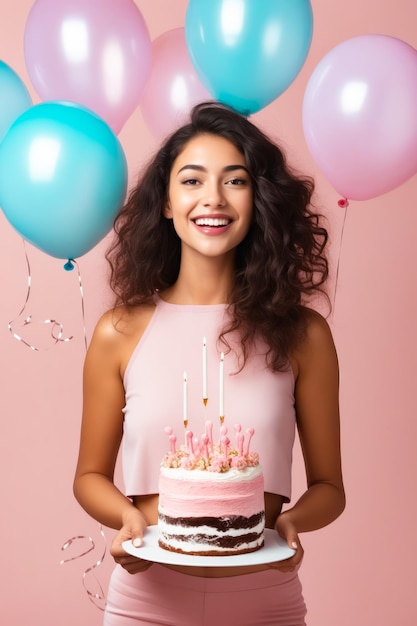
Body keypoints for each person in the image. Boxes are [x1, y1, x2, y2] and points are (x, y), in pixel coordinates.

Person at [73, 101, 345, 626]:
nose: (213, 199)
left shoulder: (304, 336)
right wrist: (126, 518)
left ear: (258, 198)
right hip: (144, 601)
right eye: (192, 181)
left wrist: (291, 525)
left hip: (265, 599)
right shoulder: (119, 332)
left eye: (235, 181)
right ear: (167, 204)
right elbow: (88, 475)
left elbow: (330, 488)